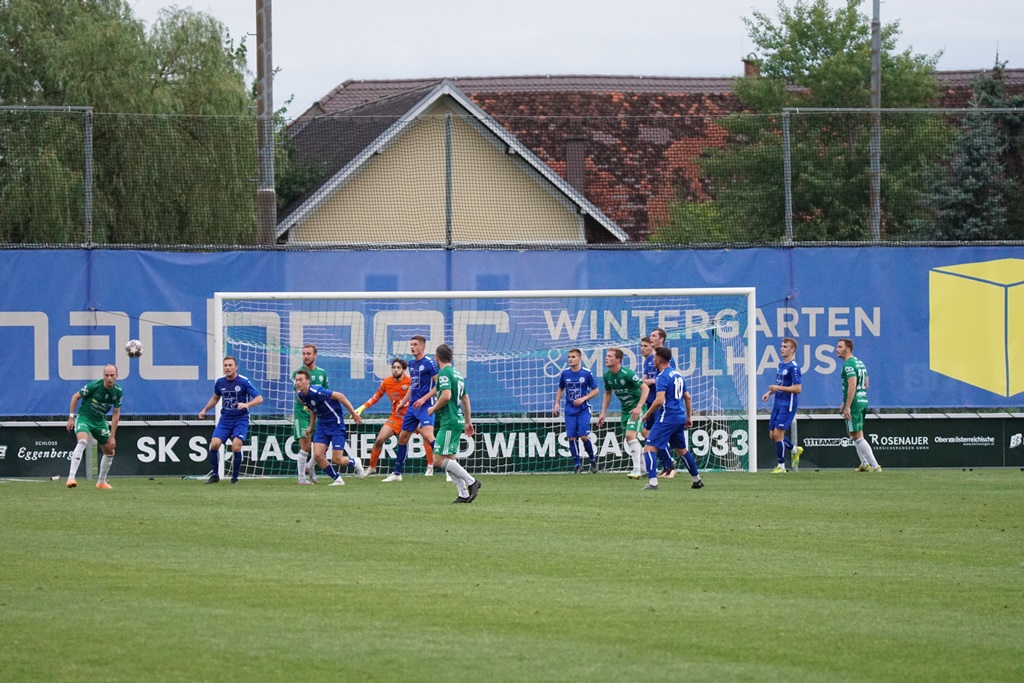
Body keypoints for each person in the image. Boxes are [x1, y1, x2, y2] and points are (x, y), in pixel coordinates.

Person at [640, 347, 704, 491]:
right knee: (682, 451)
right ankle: (697, 480)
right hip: (679, 416)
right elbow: (687, 397)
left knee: (649, 449)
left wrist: (647, 414)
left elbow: (658, 400)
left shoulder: (662, 376)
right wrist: (688, 417)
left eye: (655, 357)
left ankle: (653, 483)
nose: (653, 360)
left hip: (667, 416)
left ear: (659, 359)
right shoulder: (678, 375)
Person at [426, 344, 482, 503]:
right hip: (456, 420)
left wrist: (432, 409)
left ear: (437, 359)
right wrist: (467, 421)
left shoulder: (444, 373)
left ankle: (472, 481)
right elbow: (465, 398)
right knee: (449, 459)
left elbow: (445, 396)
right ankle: (463, 493)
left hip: (449, 421)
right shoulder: (457, 374)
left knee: (437, 460)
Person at [294, 369, 366, 485]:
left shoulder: (317, 391)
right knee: (317, 455)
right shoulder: (300, 396)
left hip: (336, 424)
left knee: (337, 459)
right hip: (322, 425)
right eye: (296, 380)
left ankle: (354, 462)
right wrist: (311, 427)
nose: (298, 382)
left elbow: (340, 396)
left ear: (307, 381)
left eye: (300, 380)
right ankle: (337, 479)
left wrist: (353, 413)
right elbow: (312, 409)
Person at [198, 356, 263, 484]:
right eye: (225, 365)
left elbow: (259, 398)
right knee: (214, 444)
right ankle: (215, 475)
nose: (227, 368)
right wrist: (205, 409)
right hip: (225, 419)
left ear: (236, 367)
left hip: (241, 419)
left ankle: (234, 478)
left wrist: (246, 405)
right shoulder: (220, 382)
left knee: (236, 446)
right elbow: (216, 397)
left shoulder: (243, 382)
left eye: (230, 365)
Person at [384, 335, 437, 483]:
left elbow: (439, 386)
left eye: (415, 344)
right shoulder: (412, 364)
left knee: (428, 436)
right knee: (402, 437)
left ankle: (450, 467)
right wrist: (403, 402)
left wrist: (424, 398)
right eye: (411, 344)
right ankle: (397, 473)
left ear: (423, 346)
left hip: (426, 406)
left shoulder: (430, 363)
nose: (412, 347)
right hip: (412, 407)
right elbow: (412, 388)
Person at [65, 364, 122, 489]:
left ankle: (101, 482)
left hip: (99, 421)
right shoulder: (94, 385)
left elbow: (116, 414)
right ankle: (71, 478)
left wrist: (112, 436)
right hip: (84, 417)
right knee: (82, 441)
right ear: (103, 375)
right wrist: (71, 417)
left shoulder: (118, 392)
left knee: (110, 451)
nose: (109, 378)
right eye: (107, 375)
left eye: (112, 375)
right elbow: (75, 397)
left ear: (117, 376)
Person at [596, 347, 649, 479]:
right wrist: (603, 413)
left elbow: (645, 388)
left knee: (630, 436)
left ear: (618, 360)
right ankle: (643, 469)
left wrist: (639, 406)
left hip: (637, 409)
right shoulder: (607, 375)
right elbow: (607, 393)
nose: (606, 358)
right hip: (625, 410)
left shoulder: (627, 373)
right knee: (630, 437)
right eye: (606, 356)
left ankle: (636, 470)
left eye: (609, 356)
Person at [354, 358, 412, 476]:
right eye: (393, 367)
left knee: (427, 436)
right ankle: (372, 467)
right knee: (379, 440)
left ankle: (431, 466)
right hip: (395, 417)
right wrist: (362, 408)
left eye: (398, 368)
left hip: (411, 416)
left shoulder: (410, 382)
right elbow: (376, 397)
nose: (395, 370)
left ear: (404, 370)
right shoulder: (386, 382)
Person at [836, 338, 881, 472]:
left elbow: (852, 384)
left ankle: (875, 466)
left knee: (857, 435)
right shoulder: (860, 363)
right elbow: (866, 384)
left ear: (847, 349)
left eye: (839, 347)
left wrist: (848, 405)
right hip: (862, 400)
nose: (836, 349)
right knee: (853, 432)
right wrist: (846, 401)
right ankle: (864, 463)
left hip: (855, 403)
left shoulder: (848, 365)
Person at [761, 337, 804, 473]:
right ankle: (795, 450)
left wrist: (778, 389)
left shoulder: (794, 367)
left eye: (785, 346)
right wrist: (770, 392)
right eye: (781, 346)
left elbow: (797, 389)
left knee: (778, 435)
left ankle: (781, 466)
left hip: (788, 405)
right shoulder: (781, 364)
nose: (782, 348)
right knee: (773, 435)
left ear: (792, 350)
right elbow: (780, 385)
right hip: (777, 403)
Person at [553, 348, 600, 474]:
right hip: (569, 410)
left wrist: (584, 398)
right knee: (571, 437)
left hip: (583, 409)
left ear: (579, 358)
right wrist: (557, 403)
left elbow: (596, 390)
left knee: (584, 437)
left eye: (573, 357)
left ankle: (592, 460)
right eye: (569, 357)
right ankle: (578, 465)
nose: (570, 359)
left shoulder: (586, 373)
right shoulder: (565, 374)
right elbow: (561, 389)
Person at [641, 329, 678, 477]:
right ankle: (666, 465)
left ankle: (670, 465)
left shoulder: (668, 359)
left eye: (654, 336)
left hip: (660, 402)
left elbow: (671, 379)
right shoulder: (650, 359)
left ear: (661, 339)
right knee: (646, 433)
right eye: (650, 335)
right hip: (650, 400)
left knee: (658, 434)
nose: (651, 338)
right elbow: (644, 379)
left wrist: (651, 381)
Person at [291, 344, 329, 485]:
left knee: (322, 446)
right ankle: (301, 478)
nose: (305, 356)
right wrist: (308, 406)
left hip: (318, 414)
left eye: (308, 354)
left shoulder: (322, 373)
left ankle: (310, 466)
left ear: (315, 355)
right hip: (302, 414)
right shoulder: (298, 373)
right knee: (306, 446)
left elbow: (325, 394)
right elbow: (299, 394)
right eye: (304, 354)